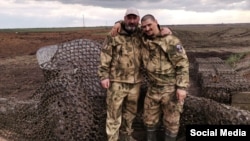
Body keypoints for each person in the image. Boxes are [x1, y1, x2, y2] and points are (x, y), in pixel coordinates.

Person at [140, 14, 189, 141]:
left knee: (171, 122)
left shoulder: (170, 41)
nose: (147, 29)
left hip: (170, 90)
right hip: (152, 89)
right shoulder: (143, 39)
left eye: (149, 25)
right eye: (144, 26)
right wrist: (119, 23)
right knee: (149, 121)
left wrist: (182, 87)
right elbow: (129, 25)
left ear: (156, 22)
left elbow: (182, 64)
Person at [98, 7, 143, 141]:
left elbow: (154, 29)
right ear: (125, 19)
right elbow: (105, 56)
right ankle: (112, 139)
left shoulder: (141, 33)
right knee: (113, 114)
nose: (132, 21)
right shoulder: (114, 34)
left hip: (135, 83)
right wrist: (104, 76)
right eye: (129, 18)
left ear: (138, 20)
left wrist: (166, 29)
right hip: (117, 82)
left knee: (130, 113)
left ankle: (126, 137)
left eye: (134, 18)